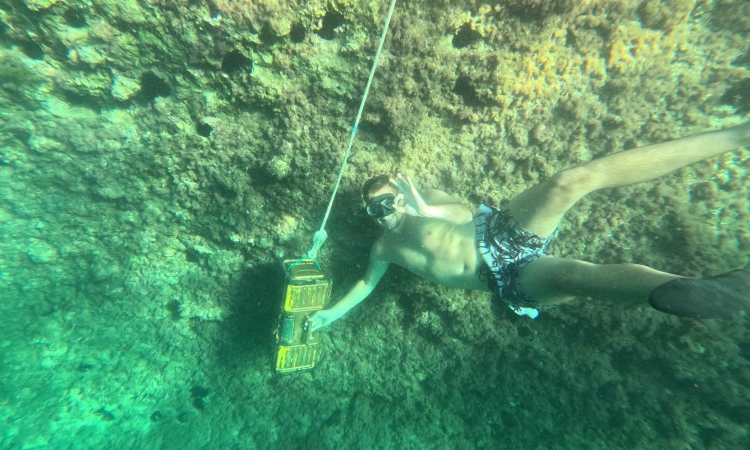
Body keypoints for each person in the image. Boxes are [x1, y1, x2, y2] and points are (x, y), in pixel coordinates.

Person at [308, 122, 750, 331]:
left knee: (568, 181)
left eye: (391, 198)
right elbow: (366, 286)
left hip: (500, 232)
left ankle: (735, 135)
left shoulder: (432, 201)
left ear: (403, 193)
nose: (387, 209)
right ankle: (690, 291)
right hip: (504, 280)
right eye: (376, 207)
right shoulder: (385, 250)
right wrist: (330, 313)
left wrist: (425, 206)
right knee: (577, 277)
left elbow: (462, 211)